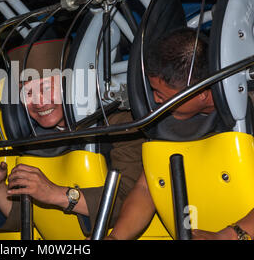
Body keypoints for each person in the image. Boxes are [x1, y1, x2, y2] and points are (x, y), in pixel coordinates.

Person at [0, 39, 145, 236]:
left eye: (46, 87)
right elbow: (29, 216)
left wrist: (55, 194)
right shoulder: (35, 139)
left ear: (71, 84)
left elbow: (133, 199)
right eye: (28, 91)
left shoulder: (120, 123)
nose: (38, 102)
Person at [106, 27, 254, 240]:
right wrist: (115, 238)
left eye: (163, 95)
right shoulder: (165, 125)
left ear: (202, 94)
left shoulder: (248, 110)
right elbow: (147, 189)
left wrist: (229, 236)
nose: (156, 100)